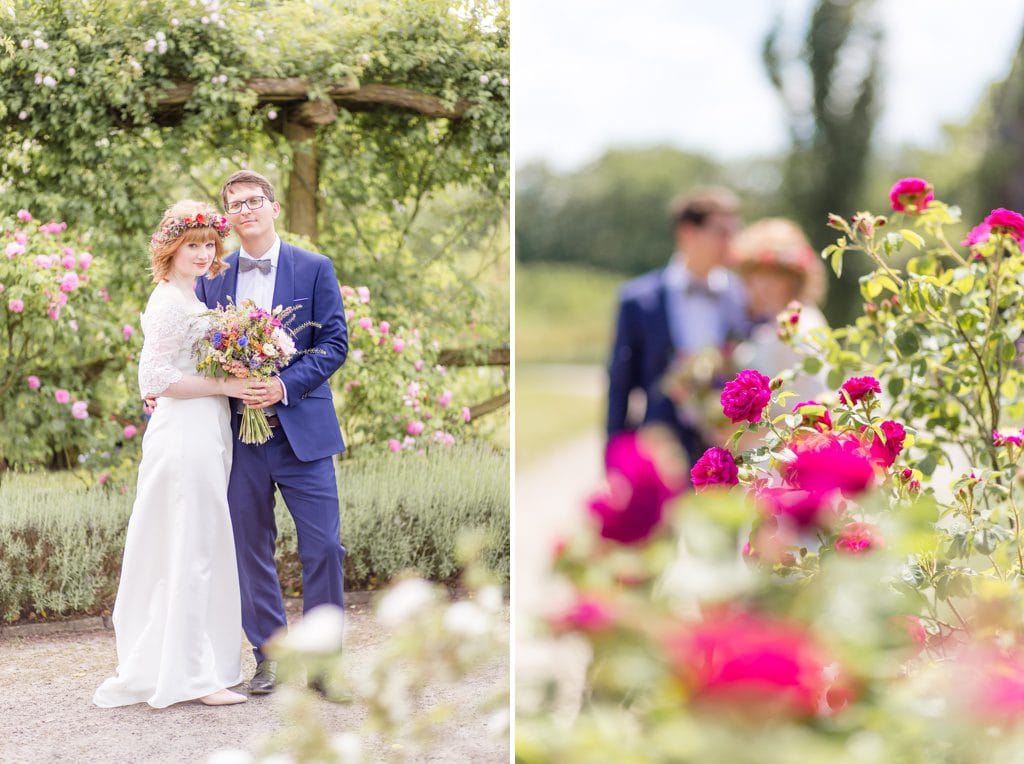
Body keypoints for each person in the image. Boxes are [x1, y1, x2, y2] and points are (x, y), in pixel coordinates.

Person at [194, 170, 349, 696]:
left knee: (324, 547)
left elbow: (334, 344)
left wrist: (281, 386)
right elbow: (196, 351)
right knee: (249, 547)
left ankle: (326, 666)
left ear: (274, 206)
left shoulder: (314, 268)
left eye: (254, 200)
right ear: (228, 217)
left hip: (302, 433)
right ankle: (271, 658)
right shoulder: (211, 278)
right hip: (239, 437)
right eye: (235, 204)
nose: (246, 210)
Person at [94, 200, 252, 708]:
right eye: (193, 245)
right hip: (185, 436)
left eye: (209, 244)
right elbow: (154, 379)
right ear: (172, 249)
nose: (204, 253)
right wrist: (228, 384)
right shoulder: (168, 302)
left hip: (204, 431)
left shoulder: (191, 295)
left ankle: (193, 663)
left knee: (196, 542)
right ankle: (193, 676)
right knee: (191, 546)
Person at [606, 187, 750, 469]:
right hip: (662, 448)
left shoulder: (741, 296)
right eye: (721, 232)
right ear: (687, 233)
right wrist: (614, 463)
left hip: (729, 450)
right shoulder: (638, 300)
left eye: (734, 232)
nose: (731, 241)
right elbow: (620, 386)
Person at [729, 217, 829, 402]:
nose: (764, 286)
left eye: (776, 276)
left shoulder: (802, 324)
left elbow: (819, 401)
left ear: (795, 279)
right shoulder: (767, 324)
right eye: (758, 275)